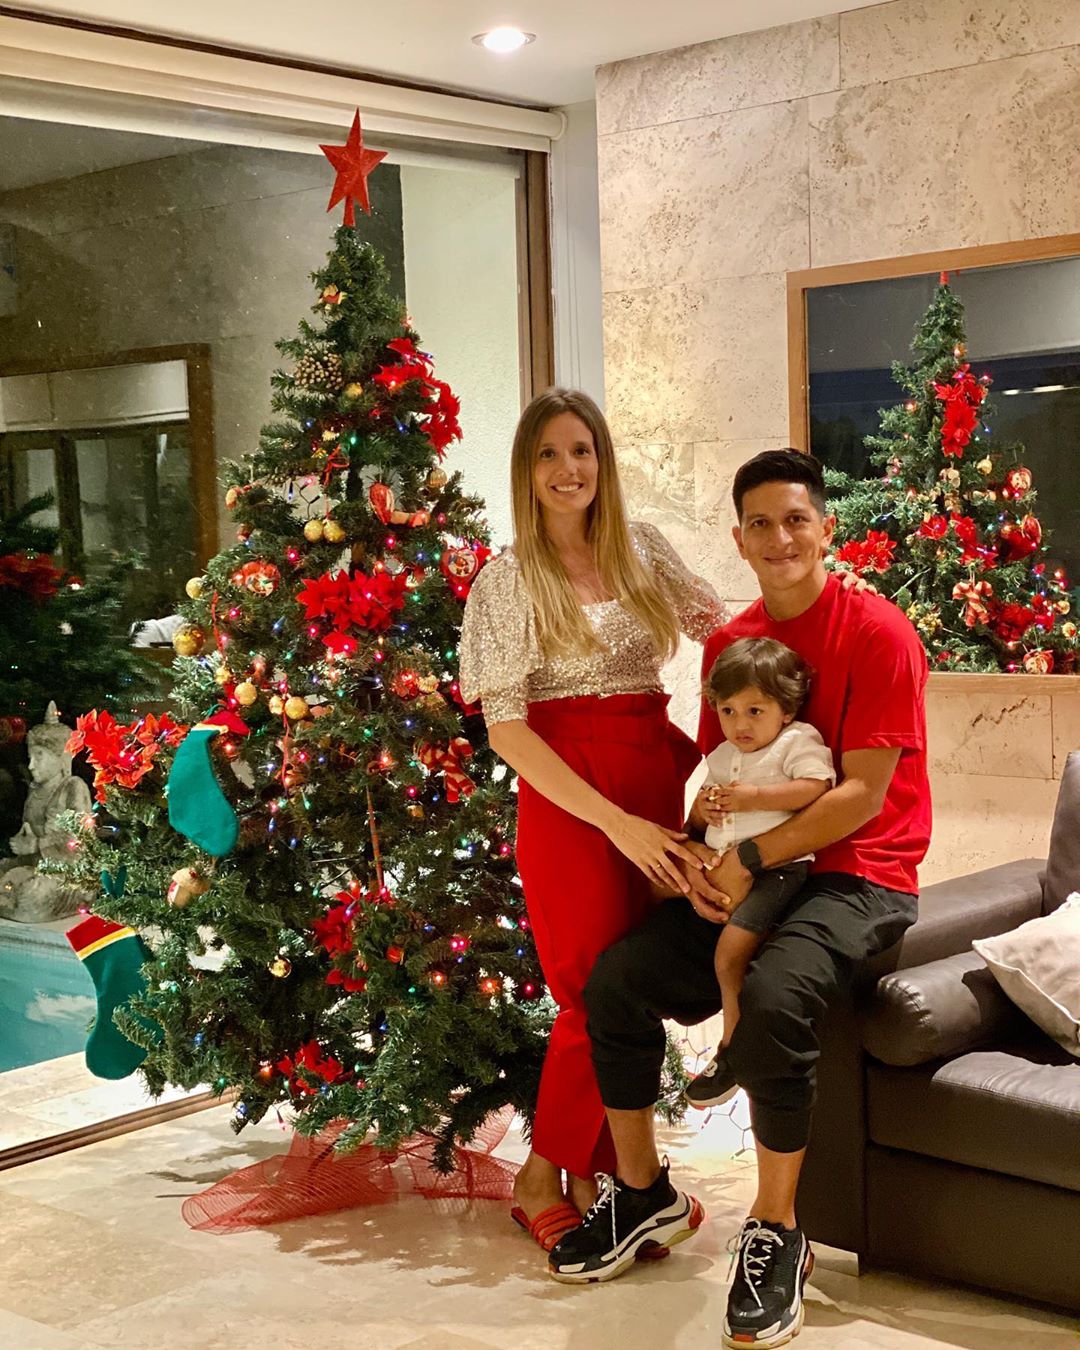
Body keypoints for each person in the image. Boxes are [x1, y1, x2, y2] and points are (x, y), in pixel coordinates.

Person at [556, 449, 929, 1350]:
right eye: (760, 523)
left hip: (859, 872)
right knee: (616, 983)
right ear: (738, 539)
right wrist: (695, 856)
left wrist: (752, 857)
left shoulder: (879, 632)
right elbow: (718, 776)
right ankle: (642, 1194)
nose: (779, 537)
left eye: (796, 519)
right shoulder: (734, 645)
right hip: (746, 867)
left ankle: (777, 1230)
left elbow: (860, 796)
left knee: (773, 997)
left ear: (825, 528)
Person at [458, 388, 728, 1256]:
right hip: (572, 802)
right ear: (526, 472)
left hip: (654, 775)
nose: (567, 469)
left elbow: (725, 634)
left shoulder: (642, 548)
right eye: (548, 454)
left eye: (581, 450)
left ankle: (602, 1179)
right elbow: (507, 731)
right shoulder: (505, 581)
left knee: (632, 987)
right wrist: (617, 823)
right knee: (590, 991)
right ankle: (543, 1178)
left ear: (602, 462)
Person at [684, 637, 834, 1109]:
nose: (740, 725)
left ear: (786, 710)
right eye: (727, 711)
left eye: (754, 711)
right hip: (723, 867)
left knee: (728, 958)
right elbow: (703, 805)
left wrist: (754, 799)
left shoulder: (796, 741)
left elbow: (816, 787)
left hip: (778, 869)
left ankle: (731, 1049)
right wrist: (706, 808)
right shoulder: (723, 756)